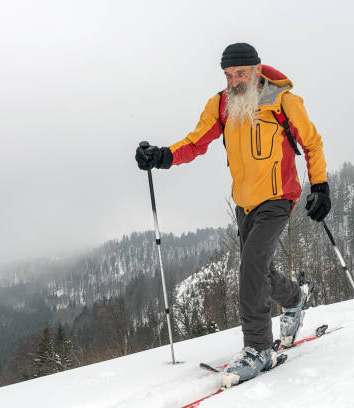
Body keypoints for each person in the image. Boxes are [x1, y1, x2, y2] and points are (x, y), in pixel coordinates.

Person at [135, 43, 330, 387]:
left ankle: (258, 348)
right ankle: (295, 299)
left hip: (278, 197)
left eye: (240, 74)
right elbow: (195, 143)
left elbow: (312, 143)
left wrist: (320, 187)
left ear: (256, 69)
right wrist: (162, 156)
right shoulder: (221, 105)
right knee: (260, 268)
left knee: (251, 266)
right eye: (228, 75)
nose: (234, 81)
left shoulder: (283, 102)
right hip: (244, 201)